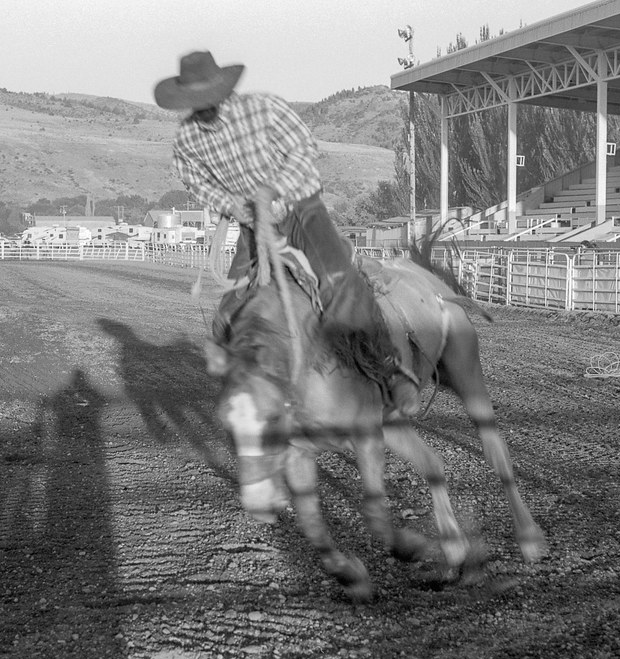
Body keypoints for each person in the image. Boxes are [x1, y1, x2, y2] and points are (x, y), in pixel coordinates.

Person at [153, 50, 420, 415]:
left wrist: (273, 188)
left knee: (339, 281)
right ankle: (248, 387)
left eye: (208, 98)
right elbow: (195, 181)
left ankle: (391, 369)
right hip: (252, 225)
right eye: (196, 101)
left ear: (223, 90)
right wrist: (231, 204)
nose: (204, 107)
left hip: (300, 208)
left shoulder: (264, 110)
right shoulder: (187, 140)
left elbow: (303, 149)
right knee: (229, 310)